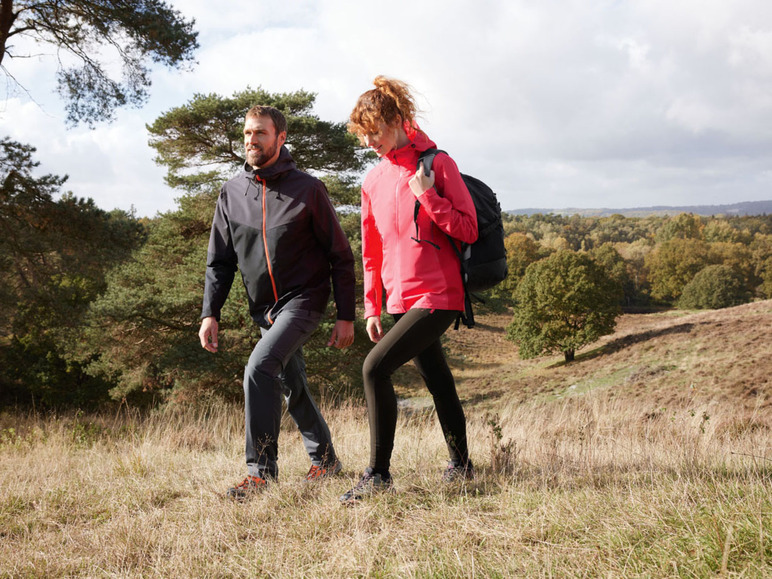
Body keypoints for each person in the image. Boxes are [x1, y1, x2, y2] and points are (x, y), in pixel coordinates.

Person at [199, 105, 356, 499]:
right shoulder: (232, 192)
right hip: (263, 308)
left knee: (260, 366)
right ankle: (326, 461)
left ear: (280, 138)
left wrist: (346, 315)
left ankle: (260, 474)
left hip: (304, 300)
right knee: (290, 380)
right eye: (247, 134)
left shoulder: (308, 189)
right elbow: (219, 261)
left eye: (260, 134)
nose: (251, 141)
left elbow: (341, 255)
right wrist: (209, 312)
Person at [340, 77, 478, 504]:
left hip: (438, 295)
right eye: (363, 135)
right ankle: (462, 466)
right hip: (400, 299)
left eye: (374, 132)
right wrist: (372, 306)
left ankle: (378, 474)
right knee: (437, 379)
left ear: (397, 120)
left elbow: (468, 229)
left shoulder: (437, 165)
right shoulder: (373, 181)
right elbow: (371, 251)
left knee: (373, 369)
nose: (369, 142)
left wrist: (430, 196)